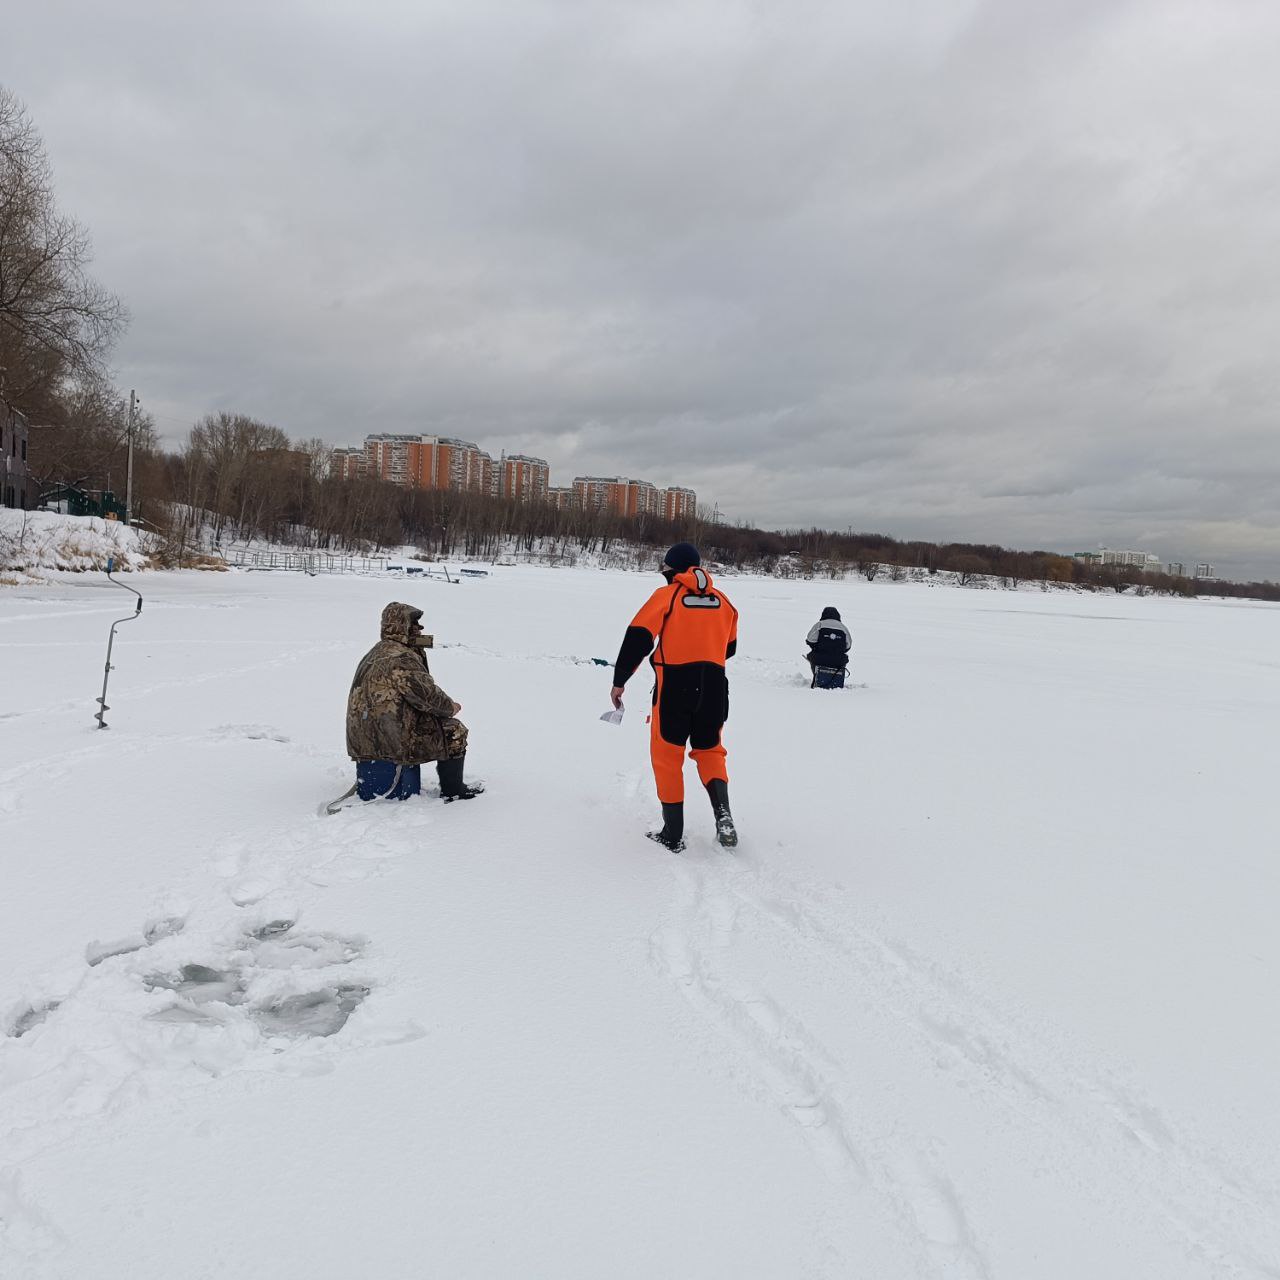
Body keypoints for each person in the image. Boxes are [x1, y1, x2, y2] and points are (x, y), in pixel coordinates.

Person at [610, 542, 739, 850]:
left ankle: (672, 833)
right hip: (714, 687)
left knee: (667, 756)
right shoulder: (723, 601)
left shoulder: (666, 596)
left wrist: (620, 682)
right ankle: (723, 814)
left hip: (675, 687)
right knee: (710, 751)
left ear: (671, 570)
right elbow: (730, 649)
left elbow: (638, 639)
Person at [346, 601, 483, 802]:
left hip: (367, 737)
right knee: (454, 730)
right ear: (400, 626)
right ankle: (454, 791)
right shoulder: (401, 657)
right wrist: (450, 707)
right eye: (414, 623)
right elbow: (427, 697)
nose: (420, 628)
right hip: (389, 739)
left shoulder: (379, 650)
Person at [805, 605, 852, 689]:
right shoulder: (843, 628)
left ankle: (818, 678)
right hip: (839, 662)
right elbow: (848, 645)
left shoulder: (819, 625)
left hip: (819, 660)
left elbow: (810, 640)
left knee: (810, 655)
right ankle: (835, 679)